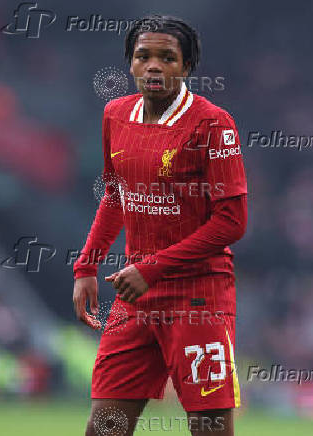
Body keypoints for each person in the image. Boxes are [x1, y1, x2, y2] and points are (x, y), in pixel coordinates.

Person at [73, 14, 247, 436]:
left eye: (167, 58)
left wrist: (152, 268)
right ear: (130, 64)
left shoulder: (212, 124)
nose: (154, 66)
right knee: (106, 428)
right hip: (135, 299)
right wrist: (85, 266)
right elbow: (116, 195)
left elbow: (232, 222)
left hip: (197, 297)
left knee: (208, 428)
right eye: (143, 56)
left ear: (186, 67)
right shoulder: (115, 114)